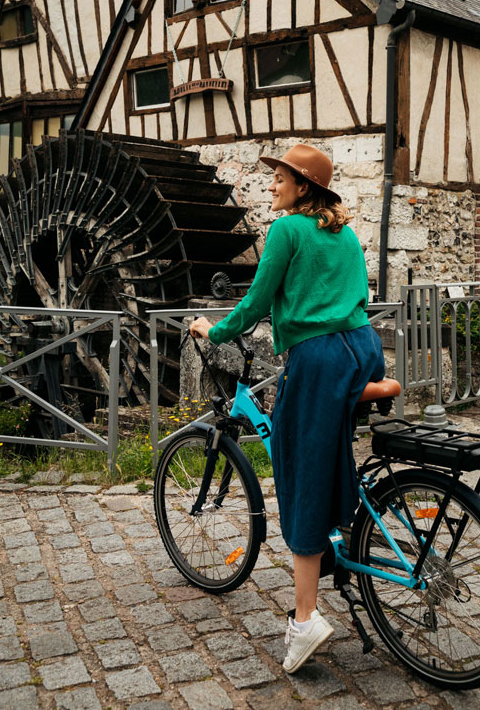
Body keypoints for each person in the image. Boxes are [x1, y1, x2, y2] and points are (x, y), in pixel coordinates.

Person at [190, 142, 384, 673]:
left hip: (320, 359)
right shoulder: (342, 233)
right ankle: (348, 539)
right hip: (364, 350)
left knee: (300, 479)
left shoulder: (286, 231)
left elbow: (255, 301)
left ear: (303, 187)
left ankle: (305, 621)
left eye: (279, 177)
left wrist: (214, 330)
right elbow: (351, 296)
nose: (271, 184)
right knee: (327, 457)